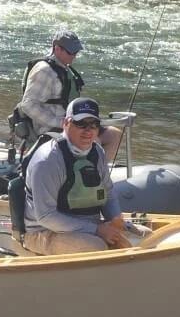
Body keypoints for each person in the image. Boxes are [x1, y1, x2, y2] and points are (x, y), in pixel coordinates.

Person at [22, 98, 130, 254]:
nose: (88, 130)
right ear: (66, 123)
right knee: (97, 248)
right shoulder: (47, 161)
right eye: (81, 124)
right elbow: (46, 216)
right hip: (44, 232)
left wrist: (115, 220)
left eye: (94, 124)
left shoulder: (97, 151)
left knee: (143, 236)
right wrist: (97, 230)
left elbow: (108, 193)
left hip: (88, 225)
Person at [12, 30, 121, 161]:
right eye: (71, 52)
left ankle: (98, 171)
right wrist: (61, 123)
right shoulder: (44, 71)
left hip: (73, 123)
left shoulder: (65, 68)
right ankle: (84, 170)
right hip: (51, 128)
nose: (74, 56)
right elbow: (28, 105)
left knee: (114, 135)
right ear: (57, 49)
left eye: (76, 52)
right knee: (93, 140)